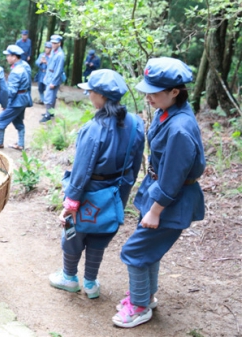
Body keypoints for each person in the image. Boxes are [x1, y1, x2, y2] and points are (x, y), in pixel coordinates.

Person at [114, 57, 205, 328]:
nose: (147, 96)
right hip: (158, 192)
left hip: (170, 201)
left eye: (153, 91)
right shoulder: (168, 113)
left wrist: (155, 210)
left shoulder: (179, 129)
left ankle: (140, 307)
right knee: (147, 250)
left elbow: (174, 178)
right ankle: (145, 296)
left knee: (134, 251)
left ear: (174, 92)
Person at [49, 69, 145, 302]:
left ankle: (69, 278)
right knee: (101, 235)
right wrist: (121, 196)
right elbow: (133, 168)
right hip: (115, 193)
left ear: (100, 96)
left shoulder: (94, 129)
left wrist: (71, 202)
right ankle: (91, 283)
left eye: (90, 92)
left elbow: (82, 170)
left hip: (87, 192)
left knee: (73, 232)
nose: (89, 96)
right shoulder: (135, 124)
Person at [0, 45, 31, 150]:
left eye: (8, 56)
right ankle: (20, 144)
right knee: (18, 121)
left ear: (14, 57)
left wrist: (5, 103)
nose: (7, 58)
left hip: (17, 101)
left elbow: (11, 92)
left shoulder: (16, 71)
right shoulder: (24, 65)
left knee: (0, 121)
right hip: (23, 99)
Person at [41, 35, 65, 123]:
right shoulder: (53, 52)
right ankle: (51, 112)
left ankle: (47, 115)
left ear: (59, 43)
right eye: (52, 43)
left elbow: (58, 70)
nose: (53, 45)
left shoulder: (60, 55)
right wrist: (46, 75)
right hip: (49, 76)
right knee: (51, 96)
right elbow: (50, 65)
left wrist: (53, 82)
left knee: (48, 97)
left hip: (54, 79)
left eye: (55, 43)